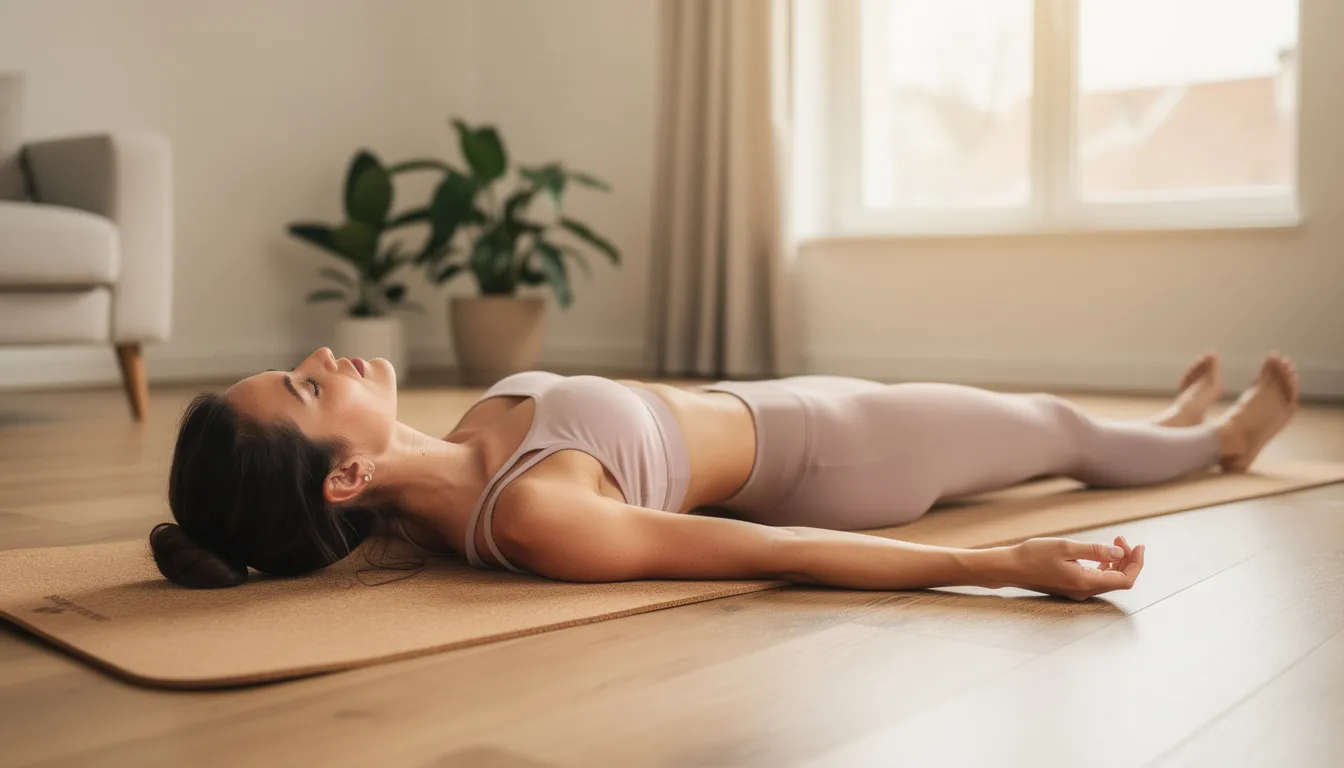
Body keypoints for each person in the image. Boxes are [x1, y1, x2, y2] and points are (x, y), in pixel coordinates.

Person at [149, 347, 1299, 601]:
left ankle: (1166, 423)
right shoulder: (541, 516)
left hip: (793, 402)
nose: (318, 362)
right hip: (845, 457)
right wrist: (1006, 565)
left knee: (1046, 426)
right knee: (1045, 423)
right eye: (305, 391)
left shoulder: (453, 451)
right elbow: (779, 551)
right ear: (343, 479)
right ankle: (1214, 445)